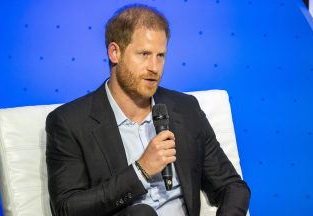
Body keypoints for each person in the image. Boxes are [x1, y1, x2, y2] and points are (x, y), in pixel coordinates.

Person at [46, 4, 250, 216]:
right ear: (114, 52)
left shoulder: (185, 109)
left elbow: (232, 187)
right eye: (144, 54)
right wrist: (140, 170)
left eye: (160, 55)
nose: (154, 67)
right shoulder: (69, 122)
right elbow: (66, 209)